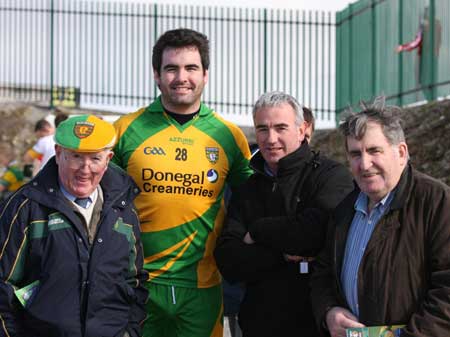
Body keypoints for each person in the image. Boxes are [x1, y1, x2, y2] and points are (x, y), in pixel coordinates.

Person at [112, 28, 252, 337]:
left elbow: (253, 200)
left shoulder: (229, 136)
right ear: (156, 74)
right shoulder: (125, 129)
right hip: (137, 283)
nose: (181, 77)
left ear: (205, 74)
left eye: (191, 68)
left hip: (202, 287)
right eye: (171, 68)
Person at [214, 91, 354, 337]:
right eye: (263, 129)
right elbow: (228, 260)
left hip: (315, 327)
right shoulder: (248, 188)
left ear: (302, 130)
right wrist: (281, 255)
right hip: (258, 326)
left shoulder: (331, 176)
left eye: (281, 128)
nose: (271, 138)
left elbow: (311, 235)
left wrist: (257, 231)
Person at [310, 97, 450, 337]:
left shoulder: (436, 202)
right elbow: (323, 273)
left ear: (401, 152)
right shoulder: (345, 209)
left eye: (374, 151)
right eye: (355, 154)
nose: (364, 164)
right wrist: (328, 312)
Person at [0, 115, 148, 337]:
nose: (85, 169)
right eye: (76, 157)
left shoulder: (124, 211)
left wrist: (130, 332)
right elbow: (3, 287)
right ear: (59, 154)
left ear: (108, 159)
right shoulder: (25, 208)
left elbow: (134, 282)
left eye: (95, 159)